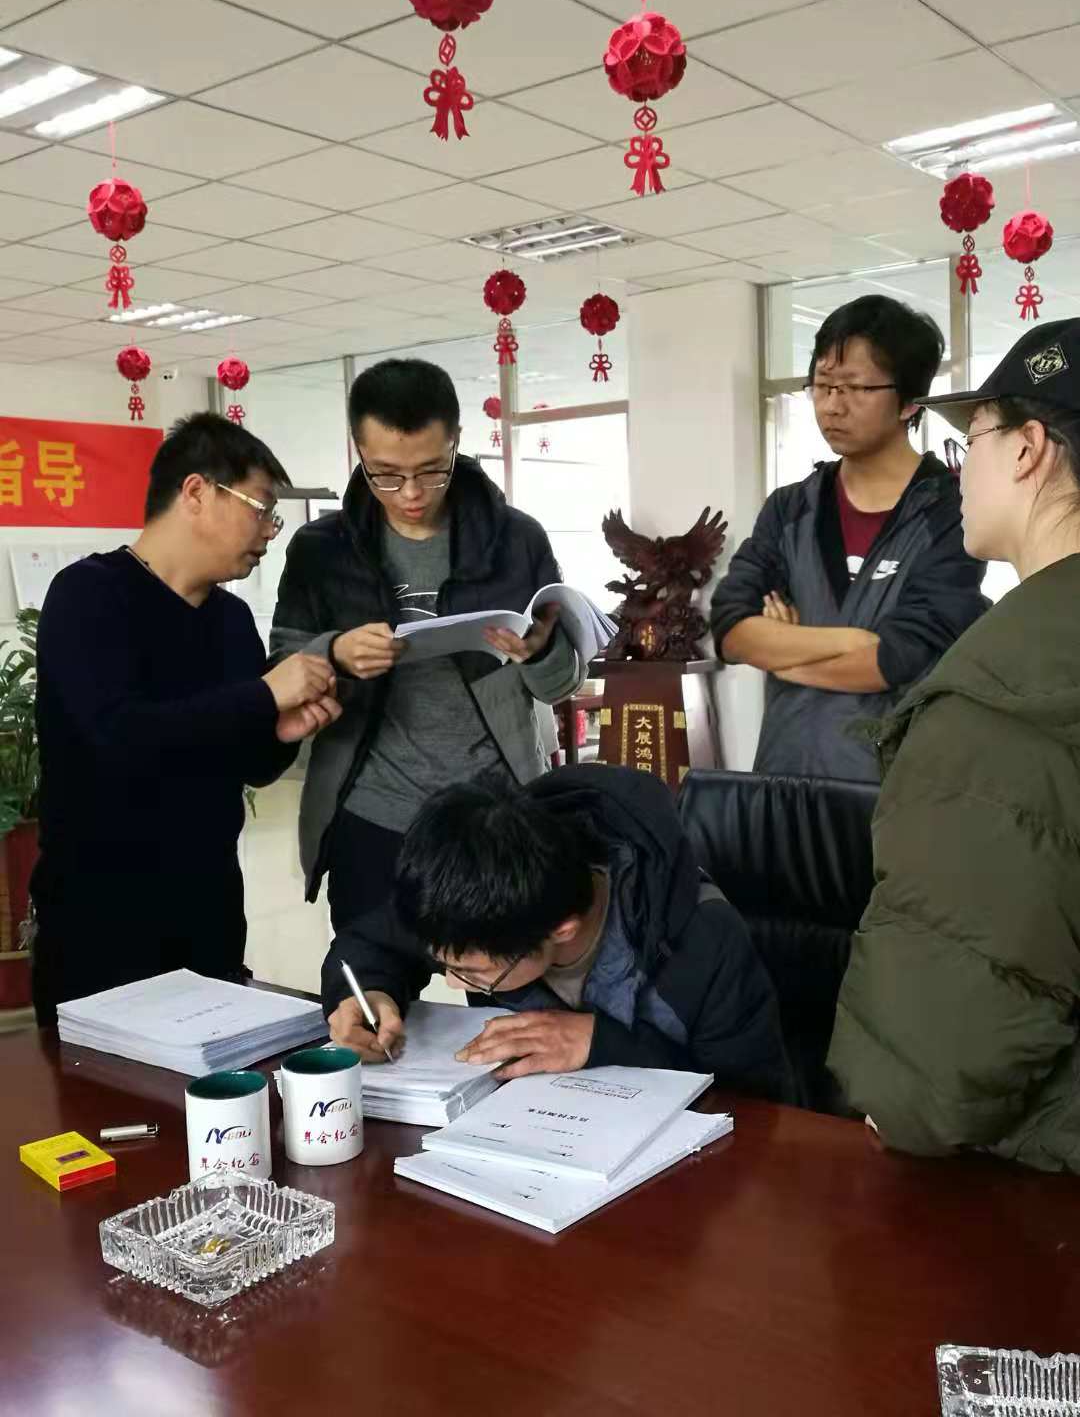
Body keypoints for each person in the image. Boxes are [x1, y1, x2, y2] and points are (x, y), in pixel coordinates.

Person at [828, 317, 1080, 1173]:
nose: (959, 469)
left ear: (1028, 449)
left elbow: (933, 1075)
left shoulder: (999, 699)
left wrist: (891, 1104)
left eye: (970, 441)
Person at [31, 414, 341, 1023]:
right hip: (100, 921)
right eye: (261, 508)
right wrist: (261, 697)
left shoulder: (230, 620)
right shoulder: (89, 595)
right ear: (196, 492)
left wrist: (280, 733)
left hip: (208, 916)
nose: (269, 531)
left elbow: (246, 762)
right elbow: (118, 737)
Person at [270, 357, 584, 929]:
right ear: (359, 450)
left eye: (432, 471)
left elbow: (560, 684)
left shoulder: (516, 540)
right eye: (386, 474)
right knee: (369, 976)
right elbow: (282, 668)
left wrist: (540, 652)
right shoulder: (322, 550)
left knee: (504, 974)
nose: (411, 493)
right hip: (372, 814)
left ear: (456, 442)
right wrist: (334, 652)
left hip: (495, 812)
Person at [322, 764, 793, 1100]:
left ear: (562, 929)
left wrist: (604, 1046)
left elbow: (756, 1101)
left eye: (474, 975)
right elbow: (370, 943)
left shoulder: (702, 939)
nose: (453, 981)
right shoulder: (470, 896)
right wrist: (369, 992)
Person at [710, 295, 989, 781]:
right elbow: (731, 630)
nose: (832, 406)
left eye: (856, 388)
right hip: (785, 781)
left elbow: (894, 659)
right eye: (822, 386)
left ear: (909, 401)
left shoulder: (952, 511)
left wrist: (783, 654)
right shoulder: (790, 508)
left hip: (896, 792)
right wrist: (851, 641)